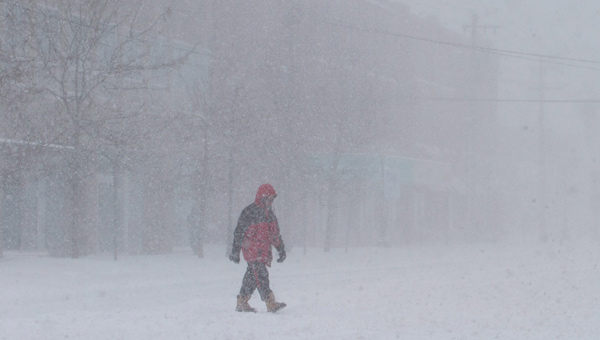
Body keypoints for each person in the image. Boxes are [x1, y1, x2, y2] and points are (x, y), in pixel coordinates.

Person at [229, 183, 287, 313]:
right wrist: (235, 251)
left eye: (273, 200)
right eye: (269, 199)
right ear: (262, 197)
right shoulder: (249, 212)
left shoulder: (270, 214)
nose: (271, 202)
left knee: (252, 277)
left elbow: (275, 234)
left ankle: (242, 301)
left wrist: (281, 249)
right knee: (261, 274)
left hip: (263, 250)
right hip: (252, 250)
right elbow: (239, 232)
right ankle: (270, 302)